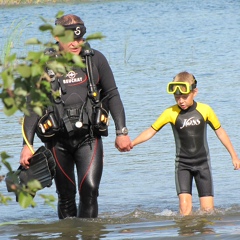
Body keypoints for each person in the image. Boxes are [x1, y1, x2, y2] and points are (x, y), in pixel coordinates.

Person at [20, 14, 132, 219]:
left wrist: (121, 131)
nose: (76, 43)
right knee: (65, 195)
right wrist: (27, 144)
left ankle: (89, 234)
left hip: (89, 139)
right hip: (57, 142)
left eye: (80, 38)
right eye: (71, 38)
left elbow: (112, 94)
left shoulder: (95, 59)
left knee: (90, 190)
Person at [132, 71, 240, 216]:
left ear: (194, 92)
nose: (181, 101)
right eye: (177, 98)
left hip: (203, 165)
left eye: (184, 96)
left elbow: (220, 132)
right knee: (184, 209)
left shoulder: (205, 110)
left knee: (208, 212)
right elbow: (151, 131)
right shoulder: (170, 112)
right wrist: (132, 143)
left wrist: (233, 155)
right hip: (183, 165)